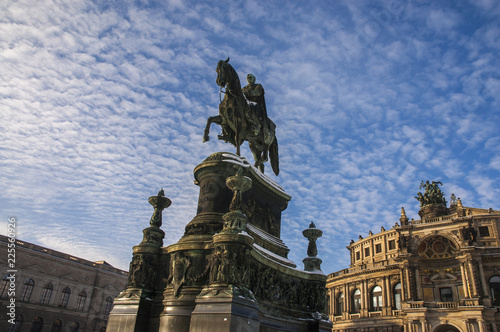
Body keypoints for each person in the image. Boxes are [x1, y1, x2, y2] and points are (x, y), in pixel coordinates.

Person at [242, 74, 270, 139]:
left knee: (250, 108)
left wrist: (248, 93)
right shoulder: (244, 88)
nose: (249, 78)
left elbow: (258, 92)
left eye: (250, 77)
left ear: (254, 79)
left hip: (255, 105)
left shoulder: (258, 86)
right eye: (248, 77)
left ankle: (257, 125)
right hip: (245, 104)